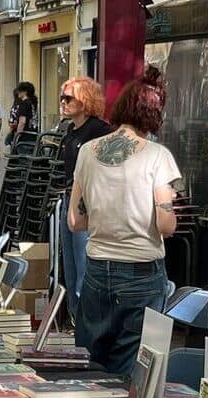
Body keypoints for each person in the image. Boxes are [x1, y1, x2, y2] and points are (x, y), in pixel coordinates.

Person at [68, 67, 179, 376]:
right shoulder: (157, 156)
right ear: (153, 115)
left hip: (97, 269)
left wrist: (106, 217)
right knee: (132, 370)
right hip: (142, 273)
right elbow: (165, 224)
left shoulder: (88, 152)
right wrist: (170, 207)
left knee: (90, 363)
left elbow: (75, 220)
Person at [58, 77, 112, 320]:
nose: (63, 102)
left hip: (88, 201)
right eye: (62, 97)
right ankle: (74, 315)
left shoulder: (99, 131)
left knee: (83, 261)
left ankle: (85, 318)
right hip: (69, 196)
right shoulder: (70, 130)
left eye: (69, 98)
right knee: (69, 261)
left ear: (85, 100)